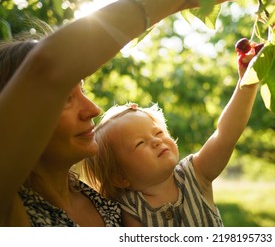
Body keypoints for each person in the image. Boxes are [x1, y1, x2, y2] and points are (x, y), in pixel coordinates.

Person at [0, 0, 256, 227]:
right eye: (65, 97)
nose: (93, 109)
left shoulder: (107, 204)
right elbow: (45, 69)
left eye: (83, 89)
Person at [81, 46, 259, 226]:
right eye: (140, 143)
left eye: (158, 132)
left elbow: (225, 135)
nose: (157, 141)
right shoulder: (129, 208)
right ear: (120, 177)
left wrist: (247, 81)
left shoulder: (195, 174)